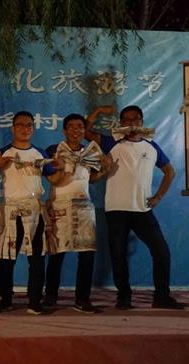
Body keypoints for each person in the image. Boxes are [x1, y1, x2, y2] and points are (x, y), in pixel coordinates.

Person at [85, 105, 182, 309]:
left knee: (161, 252)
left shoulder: (151, 146)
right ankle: (124, 296)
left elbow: (170, 171)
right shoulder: (111, 142)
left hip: (142, 210)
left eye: (136, 119)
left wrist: (158, 196)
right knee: (118, 254)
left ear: (141, 121)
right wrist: (99, 110)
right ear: (121, 123)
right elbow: (86, 131)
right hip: (116, 209)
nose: (132, 123)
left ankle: (161, 296)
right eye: (127, 120)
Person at [0, 111, 63, 315]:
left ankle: (35, 299)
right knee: (7, 257)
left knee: (37, 257)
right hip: (11, 210)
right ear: (13, 128)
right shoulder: (3, 152)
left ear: (33, 128)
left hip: (34, 210)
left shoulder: (40, 153)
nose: (25, 129)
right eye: (20, 125)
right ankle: (5, 298)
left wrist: (61, 168)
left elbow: (54, 180)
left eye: (29, 125)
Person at [43, 113, 109, 313]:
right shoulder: (54, 150)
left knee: (86, 255)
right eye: (71, 126)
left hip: (84, 208)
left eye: (80, 126)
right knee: (56, 254)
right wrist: (63, 167)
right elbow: (52, 178)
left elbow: (92, 178)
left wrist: (105, 169)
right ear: (64, 130)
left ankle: (82, 299)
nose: (75, 130)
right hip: (60, 206)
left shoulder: (91, 152)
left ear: (84, 130)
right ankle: (50, 297)